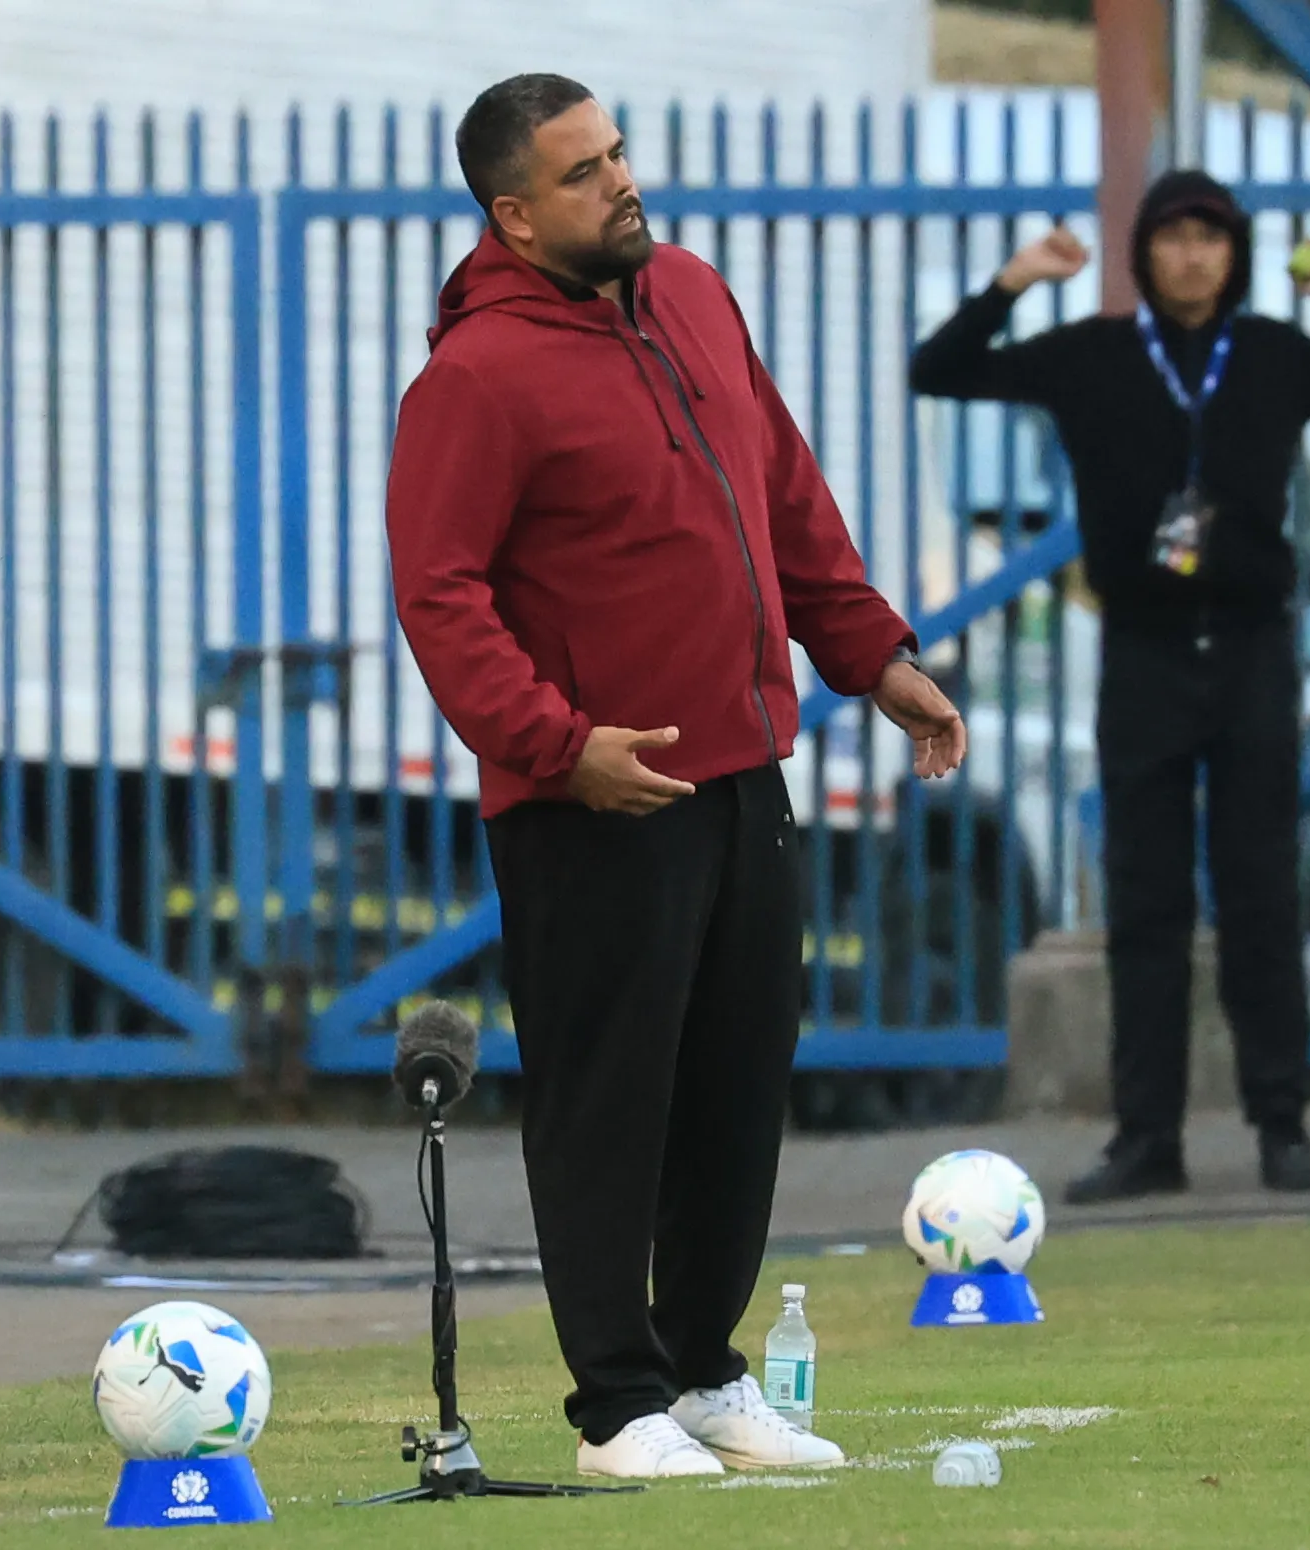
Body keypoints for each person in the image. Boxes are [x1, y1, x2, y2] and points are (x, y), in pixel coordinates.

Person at [385, 75, 965, 1480]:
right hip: (593, 798)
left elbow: (783, 491)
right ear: (510, 213)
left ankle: (704, 1367)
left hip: (741, 771)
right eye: (582, 174)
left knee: (733, 1081)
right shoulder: (474, 376)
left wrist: (870, 654)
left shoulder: (695, 296)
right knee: (609, 1100)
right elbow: (440, 593)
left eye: (619, 154)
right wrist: (552, 742)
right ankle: (616, 1406)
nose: (621, 184)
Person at [911, 171, 1310, 1203]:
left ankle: (1282, 1123)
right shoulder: (1097, 355)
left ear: (1235, 253)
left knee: (1261, 892)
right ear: (1143, 252)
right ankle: (1146, 1134)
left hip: (1248, 648)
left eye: (1212, 238)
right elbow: (943, 370)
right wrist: (1013, 282)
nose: (1193, 256)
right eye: (1173, 238)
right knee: (1144, 902)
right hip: (1143, 651)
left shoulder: (1275, 354)